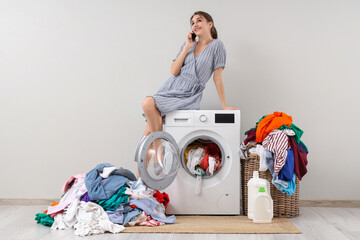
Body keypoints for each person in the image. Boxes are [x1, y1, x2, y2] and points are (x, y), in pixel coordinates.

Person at [138, 11, 238, 178]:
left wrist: (224, 105)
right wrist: (186, 47)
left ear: (210, 24)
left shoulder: (217, 45)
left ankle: (159, 153)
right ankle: (139, 184)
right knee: (146, 138)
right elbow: (174, 71)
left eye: (199, 20)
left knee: (148, 106)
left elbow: (217, 77)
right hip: (171, 88)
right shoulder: (188, 46)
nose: (195, 24)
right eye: (192, 23)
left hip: (189, 94)